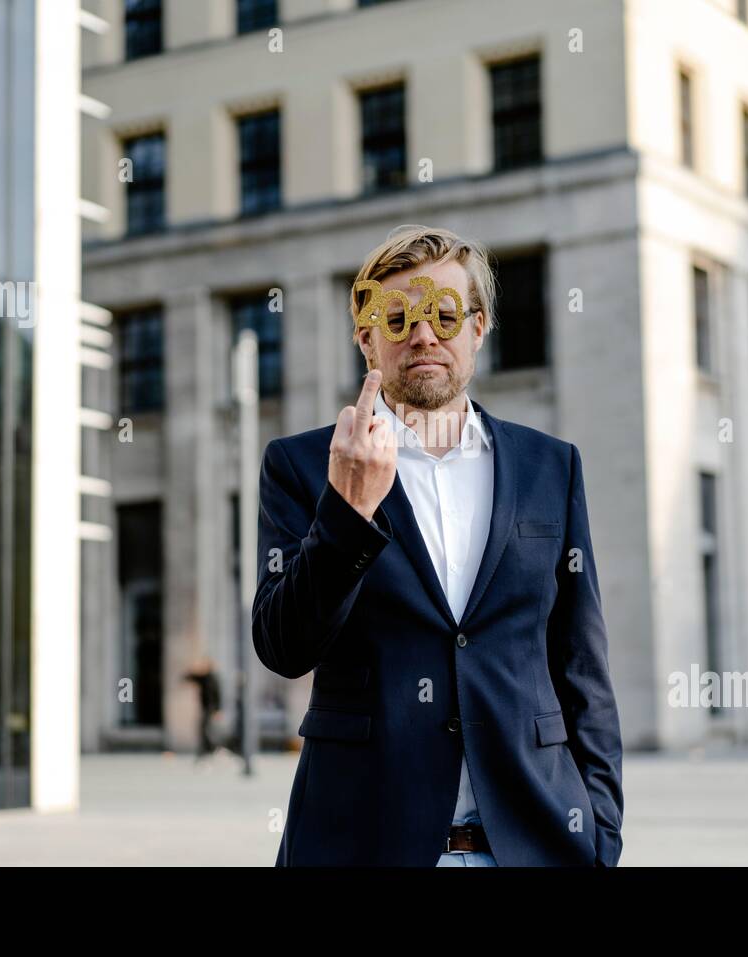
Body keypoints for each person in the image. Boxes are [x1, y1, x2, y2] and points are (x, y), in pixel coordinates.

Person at [252, 225, 624, 866]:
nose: (423, 335)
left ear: (478, 328)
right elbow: (284, 648)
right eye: (397, 319)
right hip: (359, 845)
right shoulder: (304, 465)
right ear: (366, 339)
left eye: (445, 315)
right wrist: (348, 510)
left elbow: (581, 665)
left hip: (534, 845)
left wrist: (600, 833)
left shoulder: (551, 467)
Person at [182, 657, 223, 764]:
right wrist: (194, 668)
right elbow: (187, 677)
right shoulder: (203, 678)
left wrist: (218, 710)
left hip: (211, 707)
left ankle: (212, 748)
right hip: (205, 706)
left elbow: (217, 695)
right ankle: (207, 750)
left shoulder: (213, 678)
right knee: (203, 728)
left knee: (204, 728)